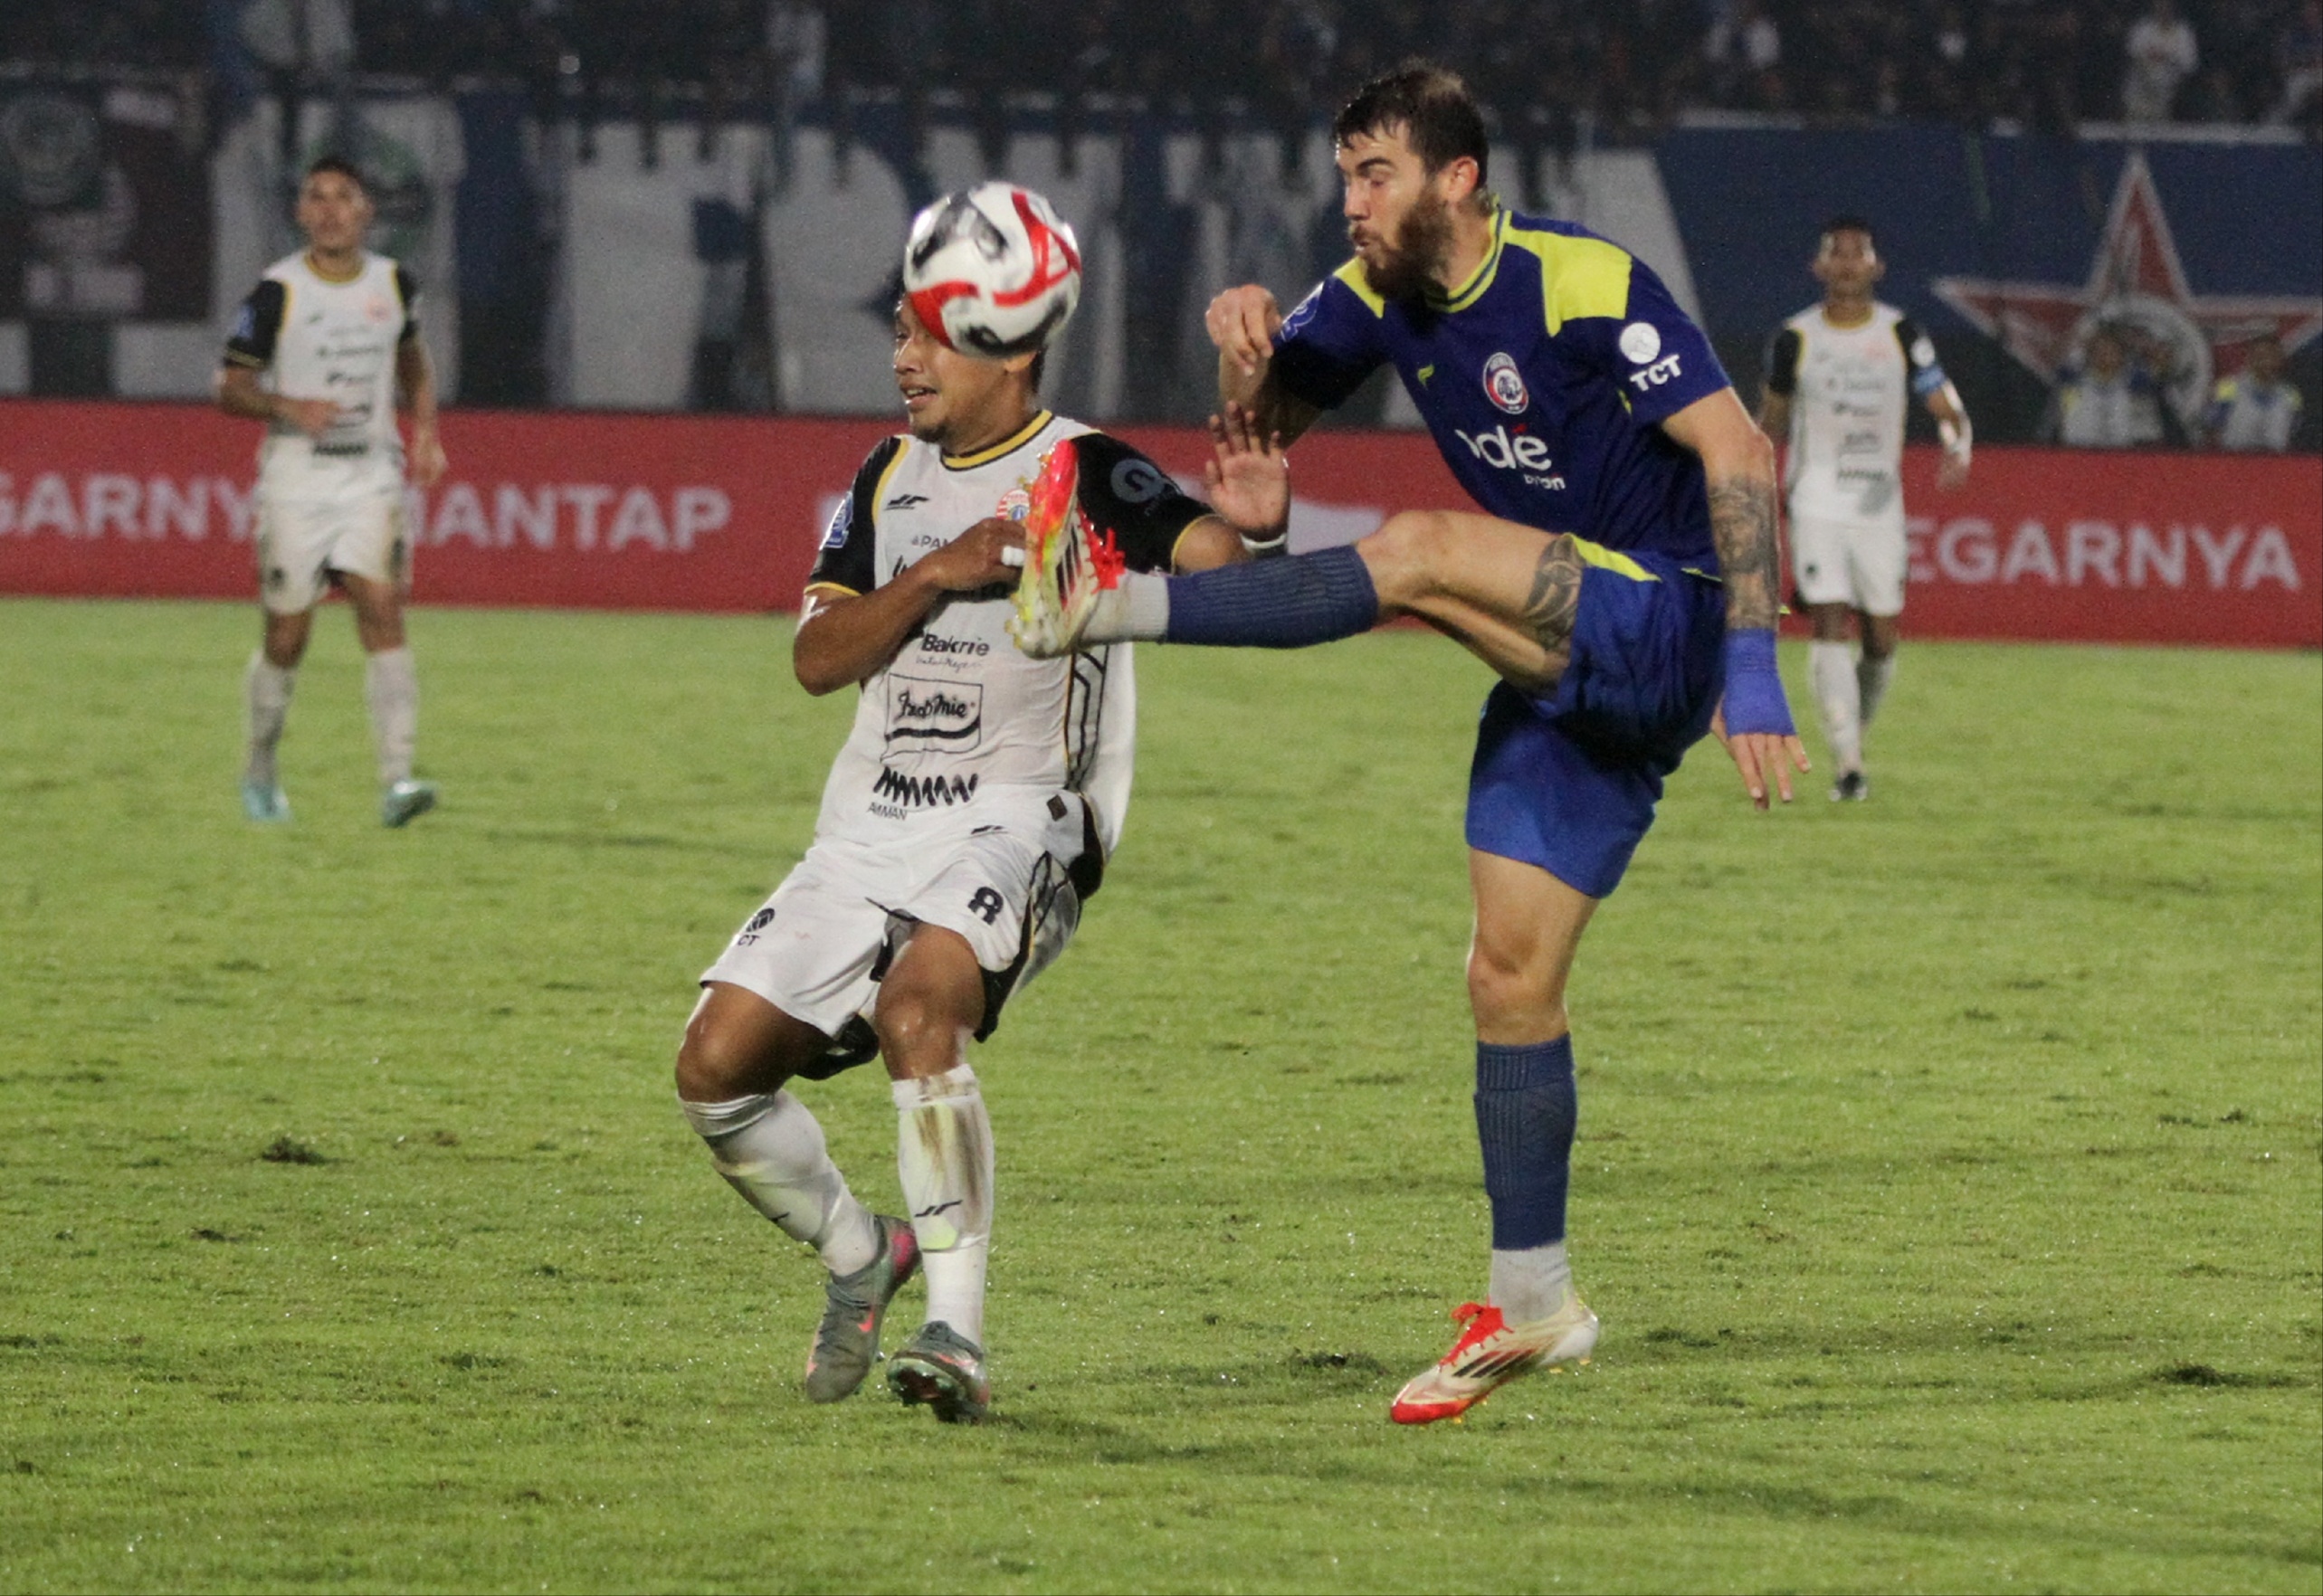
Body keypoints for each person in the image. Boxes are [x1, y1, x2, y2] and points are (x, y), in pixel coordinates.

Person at [1009, 64, 1807, 1425]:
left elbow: (1737, 452)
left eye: (1373, 173)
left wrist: (1751, 663)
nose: (1349, 203)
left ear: (1455, 178)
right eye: (1340, 177)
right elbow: (1258, 456)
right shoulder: (1368, 297)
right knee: (1503, 980)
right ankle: (1534, 1300)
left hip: (1664, 617)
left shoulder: (1577, 281)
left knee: (1423, 552)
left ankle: (1101, 603)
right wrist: (1244, 380)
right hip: (1561, 677)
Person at [671, 190, 1281, 1426]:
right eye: (900, 330)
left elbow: (1208, 558)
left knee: (917, 1010)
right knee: (713, 1075)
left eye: (931, 334)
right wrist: (937, 572)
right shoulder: (884, 477)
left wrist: (1253, 534)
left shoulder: (1086, 470)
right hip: (870, 821)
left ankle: (956, 1333)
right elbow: (815, 657)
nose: (903, 358)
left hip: (1024, 812)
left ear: (1011, 346)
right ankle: (861, 1254)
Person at [215, 154, 446, 828]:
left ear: (366, 210)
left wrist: (426, 431)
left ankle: (397, 781)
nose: (329, 208)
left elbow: (412, 361)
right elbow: (228, 386)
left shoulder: (394, 284)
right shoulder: (275, 292)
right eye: (316, 196)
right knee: (288, 634)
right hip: (295, 476)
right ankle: (260, 769)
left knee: (381, 607)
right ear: (300, 213)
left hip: (369, 472)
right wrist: (291, 406)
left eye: (343, 196)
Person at [1758, 217, 1971, 803]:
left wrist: (1959, 442)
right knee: (1826, 617)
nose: (1849, 263)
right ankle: (1847, 763)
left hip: (1878, 502)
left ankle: (1850, 728)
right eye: (1837, 253)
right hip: (1816, 497)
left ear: (1876, 267)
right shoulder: (1794, 338)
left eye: (1859, 254)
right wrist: (1746, 474)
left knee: (1880, 636)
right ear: (1818, 267)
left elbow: (1944, 404)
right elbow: (1771, 420)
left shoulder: (1901, 333)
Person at [2049, 326, 2169, 448]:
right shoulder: (2073, 379)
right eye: (2100, 350)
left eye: (2111, 351)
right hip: (2078, 450)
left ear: (2122, 355)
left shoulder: (2135, 381)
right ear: (2090, 353)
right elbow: (2053, 359)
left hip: (2123, 452)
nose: (2105, 355)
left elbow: (2160, 368)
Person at [2204, 335, 2306, 451]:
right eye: (2261, 356)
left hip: (2276, 463)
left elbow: (2294, 430)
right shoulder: (2228, 387)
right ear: (2250, 358)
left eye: (2273, 356)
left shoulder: (2291, 394)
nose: (2267, 362)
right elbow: (2213, 427)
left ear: (2280, 360)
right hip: (2235, 460)